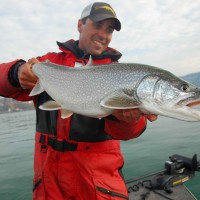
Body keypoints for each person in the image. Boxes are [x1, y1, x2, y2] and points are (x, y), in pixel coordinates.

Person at [0, 2, 157, 199]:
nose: (103, 34)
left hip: (98, 188)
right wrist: (17, 72)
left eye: (109, 30)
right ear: (80, 25)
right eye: (98, 25)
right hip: (49, 187)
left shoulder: (120, 74)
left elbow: (129, 133)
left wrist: (126, 118)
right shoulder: (48, 63)